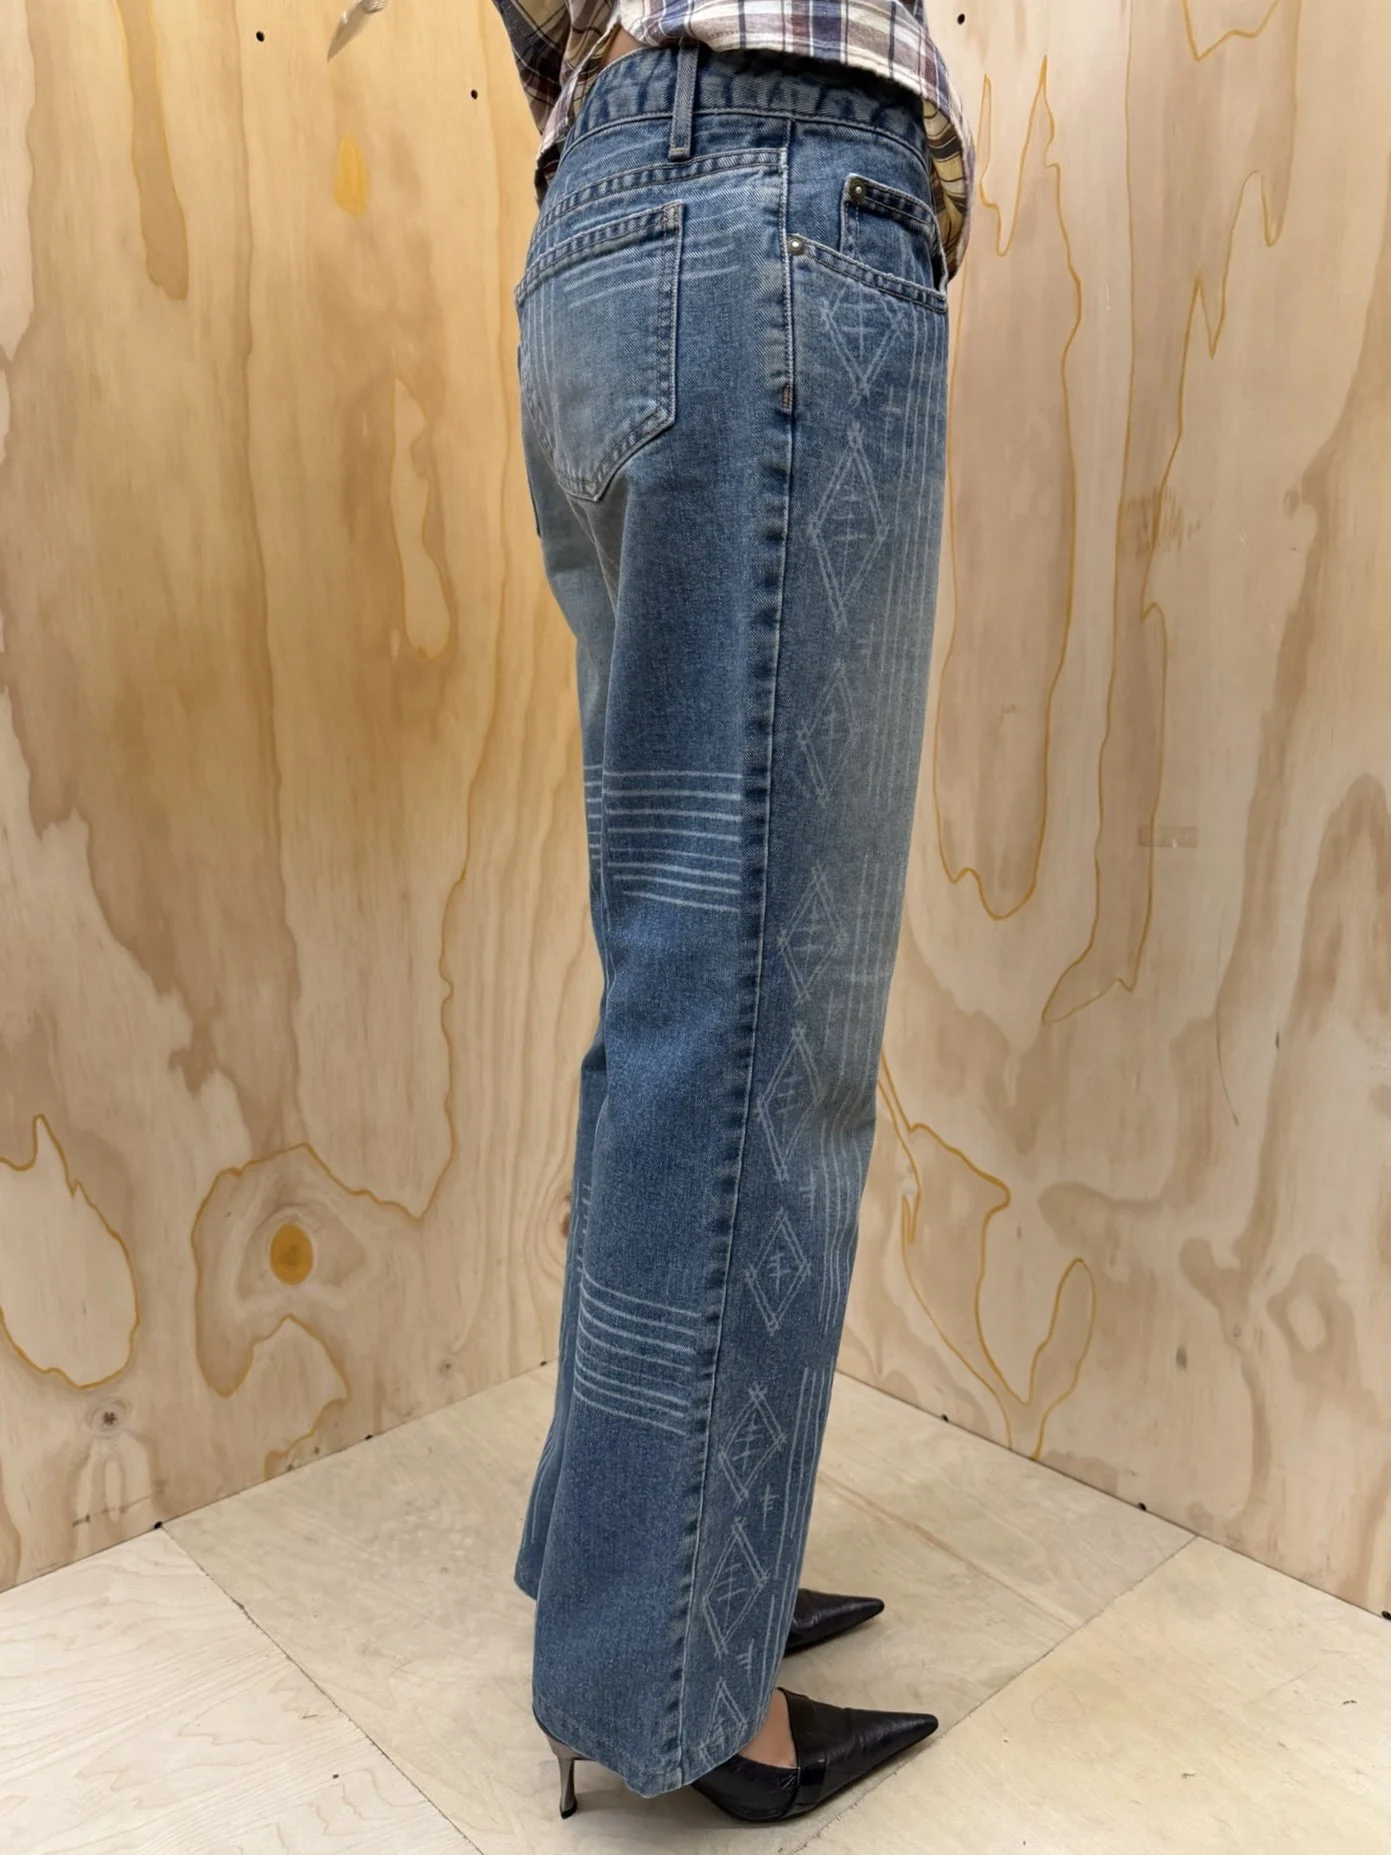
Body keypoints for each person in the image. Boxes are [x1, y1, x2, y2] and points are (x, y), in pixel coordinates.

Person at [494, 0, 974, 1823]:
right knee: (764, 1021)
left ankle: (643, 1567)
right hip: (782, 201)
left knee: (680, 993)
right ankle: (680, 1691)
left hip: (605, 234)